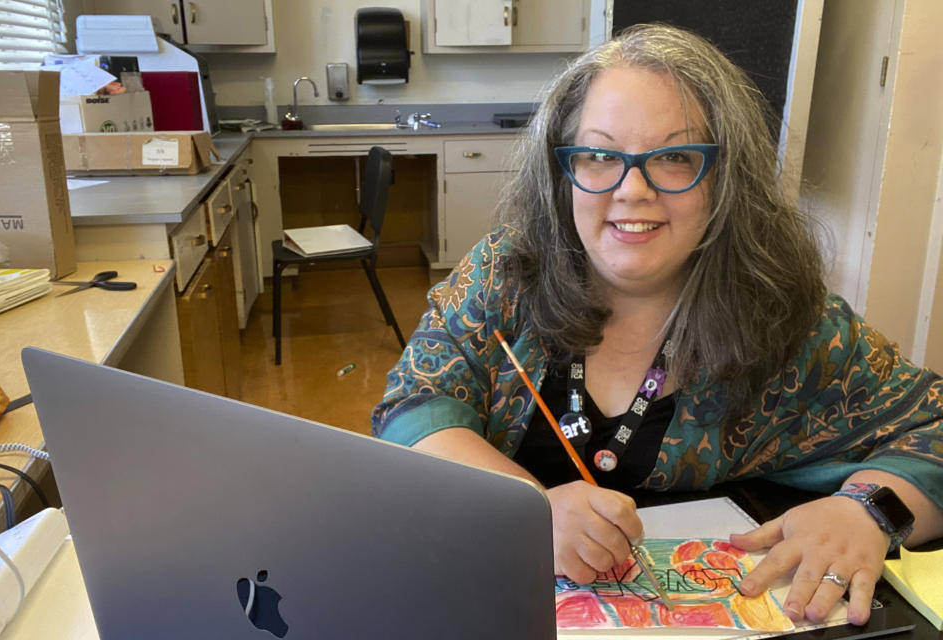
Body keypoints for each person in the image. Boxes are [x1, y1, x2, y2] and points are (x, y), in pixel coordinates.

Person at [371, 23, 943, 626]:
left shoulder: (789, 322)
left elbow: (934, 423)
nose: (631, 190)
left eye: (674, 157)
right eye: (598, 155)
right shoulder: (502, 277)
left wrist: (870, 512)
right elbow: (414, 406)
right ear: (562, 171)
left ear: (726, 176)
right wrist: (529, 507)